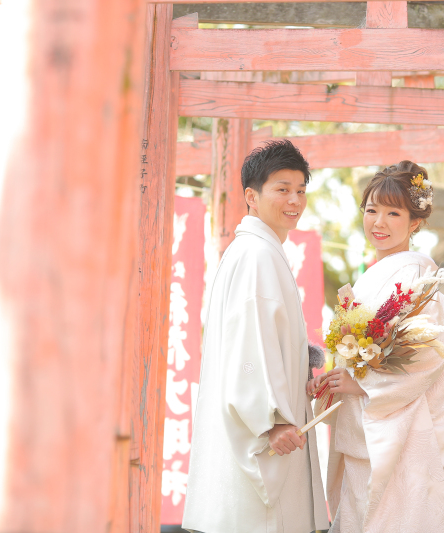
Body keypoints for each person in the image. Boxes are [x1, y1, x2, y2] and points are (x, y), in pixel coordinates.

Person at [309, 161, 444, 533]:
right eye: (371, 210)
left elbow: (428, 353)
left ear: (415, 222)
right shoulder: (377, 275)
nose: (378, 222)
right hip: (367, 430)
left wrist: (361, 384)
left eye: (393, 213)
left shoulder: (414, 276)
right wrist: (340, 379)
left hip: (396, 436)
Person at [183, 140, 329, 533]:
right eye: (282, 189)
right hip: (262, 434)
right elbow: (250, 347)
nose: (294, 200)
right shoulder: (257, 255)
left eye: (300, 190)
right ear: (252, 195)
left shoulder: (254, 251)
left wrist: (305, 359)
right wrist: (274, 420)